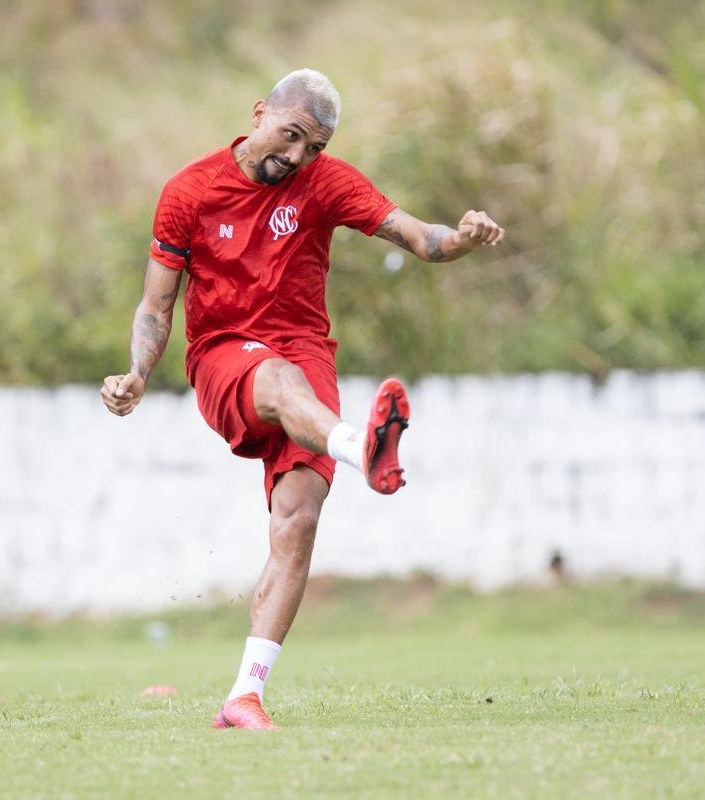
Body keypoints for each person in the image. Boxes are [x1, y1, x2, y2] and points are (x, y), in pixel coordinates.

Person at [101, 68, 505, 729]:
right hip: (224, 358)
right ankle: (363, 448)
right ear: (259, 112)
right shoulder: (189, 191)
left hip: (306, 353)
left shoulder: (327, 183)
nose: (297, 156)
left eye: (314, 147)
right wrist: (138, 373)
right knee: (279, 380)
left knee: (297, 522)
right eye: (290, 136)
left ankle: (244, 696)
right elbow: (156, 304)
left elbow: (418, 238)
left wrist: (461, 238)